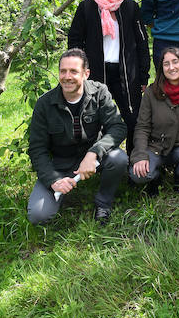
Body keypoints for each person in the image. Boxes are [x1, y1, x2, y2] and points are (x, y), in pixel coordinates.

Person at [26, 49, 128, 225]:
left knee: (118, 158)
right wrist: (54, 180)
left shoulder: (99, 92)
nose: (67, 76)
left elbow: (117, 127)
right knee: (38, 215)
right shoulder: (44, 103)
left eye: (73, 71)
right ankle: (60, 189)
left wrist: (94, 152)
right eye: (63, 71)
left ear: (86, 73)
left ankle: (103, 203)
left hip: (93, 157)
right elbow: (37, 149)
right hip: (60, 163)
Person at [68, 0, 150, 156]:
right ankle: (101, 162)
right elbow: (75, 42)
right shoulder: (86, 8)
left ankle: (133, 160)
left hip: (126, 73)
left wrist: (143, 75)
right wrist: (80, 71)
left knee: (132, 118)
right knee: (97, 118)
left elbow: (142, 43)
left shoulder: (130, 8)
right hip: (96, 72)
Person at [129, 47, 179, 194]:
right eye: (166, 64)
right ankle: (156, 177)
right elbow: (142, 127)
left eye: (175, 62)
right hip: (156, 146)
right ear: (161, 68)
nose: (171, 67)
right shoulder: (151, 92)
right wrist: (141, 155)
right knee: (137, 175)